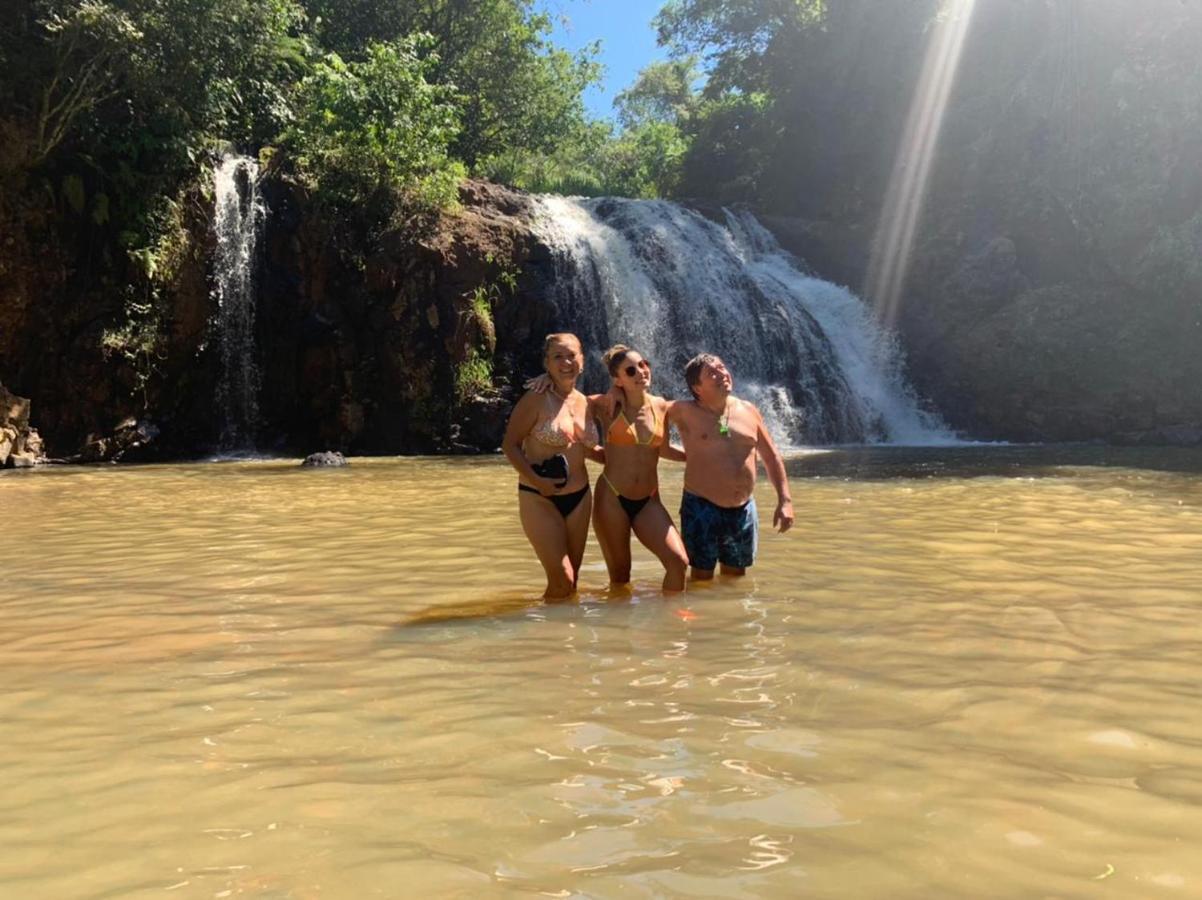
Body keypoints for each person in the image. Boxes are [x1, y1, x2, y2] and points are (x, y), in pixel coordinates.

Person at [670, 353, 794, 580]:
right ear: (697, 387)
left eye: (722, 368)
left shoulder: (749, 410)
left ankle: (731, 617)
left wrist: (785, 501)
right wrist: (683, 455)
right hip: (701, 507)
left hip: (743, 509)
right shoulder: (682, 410)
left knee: (736, 579)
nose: (722, 374)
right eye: (712, 373)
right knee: (701, 578)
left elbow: (771, 456)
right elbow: (644, 412)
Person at [502, 333, 600, 599]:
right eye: (558, 356)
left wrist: (629, 457)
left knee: (572, 582)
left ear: (582, 360)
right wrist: (536, 480)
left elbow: (587, 449)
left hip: (580, 497)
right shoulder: (535, 399)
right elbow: (509, 445)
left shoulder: (585, 402)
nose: (566, 362)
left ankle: (564, 637)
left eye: (572, 355)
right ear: (547, 363)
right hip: (539, 496)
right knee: (563, 579)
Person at [591, 345, 690, 593]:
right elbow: (568, 400)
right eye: (631, 370)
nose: (641, 372)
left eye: (644, 364)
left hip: (648, 500)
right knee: (621, 577)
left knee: (678, 562)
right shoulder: (607, 405)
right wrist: (546, 381)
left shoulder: (661, 406)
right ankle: (621, 628)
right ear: (618, 379)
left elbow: (664, 450)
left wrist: (698, 458)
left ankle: (674, 620)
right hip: (612, 497)